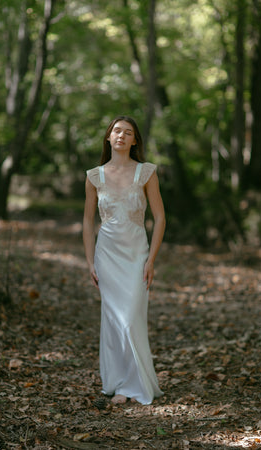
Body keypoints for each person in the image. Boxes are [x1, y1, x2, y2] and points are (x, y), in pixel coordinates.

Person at [83, 115, 166, 405]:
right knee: (114, 321)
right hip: (107, 254)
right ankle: (118, 384)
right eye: (116, 130)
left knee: (131, 319)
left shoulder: (146, 172)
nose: (121, 135)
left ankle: (136, 383)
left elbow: (159, 218)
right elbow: (87, 220)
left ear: (134, 141)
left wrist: (151, 260)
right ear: (108, 137)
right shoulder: (95, 176)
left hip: (136, 254)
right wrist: (90, 261)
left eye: (128, 132)